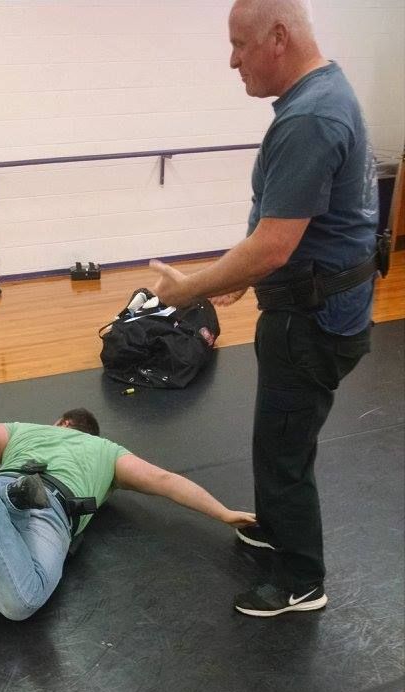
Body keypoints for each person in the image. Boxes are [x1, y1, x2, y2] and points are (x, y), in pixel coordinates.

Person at [150, 0, 379, 617]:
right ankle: (278, 529)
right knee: (275, 437)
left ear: (277, 38)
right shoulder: (322, 95)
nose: (232, 61)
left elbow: (273, 245)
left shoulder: (310, 117)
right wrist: (248, 280)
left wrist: (189, 289)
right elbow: (300, 233)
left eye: (239, 45)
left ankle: (301, 581)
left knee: (283, 449)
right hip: (315, 307)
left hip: (314, 323)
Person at [0, 409, 256, 620]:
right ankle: (7, 502)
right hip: (50, 507)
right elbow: (164, 480)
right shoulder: (108, 452)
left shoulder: (25, 431)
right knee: (19, 603)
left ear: (63, 423)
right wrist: (222, 512)